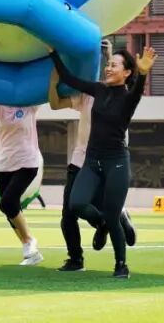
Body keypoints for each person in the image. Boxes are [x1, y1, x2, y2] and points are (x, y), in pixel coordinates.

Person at [49, 45, 156, 279]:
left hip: (116, 162)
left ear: (126, 72)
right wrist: (53, 53)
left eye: (114, 65)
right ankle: (103, 223)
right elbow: (69, 78)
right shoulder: (98, 89)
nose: (108, 68)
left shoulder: (128, 98)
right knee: (76, 204)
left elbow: (138, 89)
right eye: (108, 64)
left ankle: (121, 265)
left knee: (112, 214)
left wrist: (143, 73)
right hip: (91, 160)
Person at [0, 99, 44, 266]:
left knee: (7, 203)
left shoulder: (29, 104)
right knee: (9, 209)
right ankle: (30, 252)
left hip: (27, 162)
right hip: (4, 164)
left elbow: (42, 94)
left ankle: (29, 240)